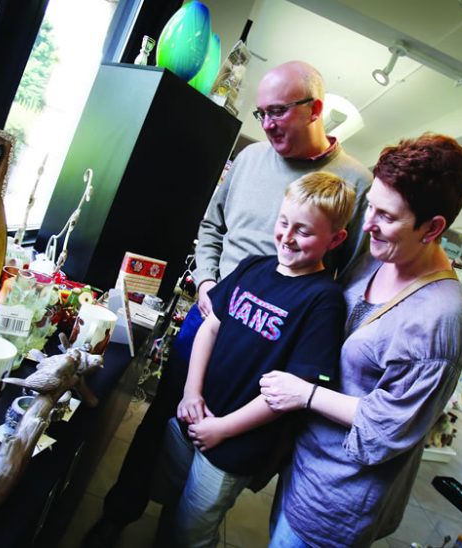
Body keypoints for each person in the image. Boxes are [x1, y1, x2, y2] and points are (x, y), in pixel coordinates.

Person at [84, 61, 371, 546]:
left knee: (229, 442)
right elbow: (211, 226)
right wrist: (207, 282)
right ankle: (120, 513)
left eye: (278, 111)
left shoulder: (354, 184)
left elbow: (349, 277)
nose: (268, 124)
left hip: (274, 336)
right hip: (215, 315)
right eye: (262, 113)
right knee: (165, 419)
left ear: (315, 109)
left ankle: (182, 524)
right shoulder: (250, 159)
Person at [259, 133, 462, 547]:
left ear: (432, 227)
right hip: (302, 465)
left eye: (387, 216)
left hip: (337, 497)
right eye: (370, 205)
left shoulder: (440, 318)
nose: (369, 222)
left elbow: (386, 429)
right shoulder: (377, 255)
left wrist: (305, 395)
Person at [163, 172, 353, 547]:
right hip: (193, 413)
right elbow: (211, 327)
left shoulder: (323, 300)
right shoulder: (253, 266)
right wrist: (190, 392)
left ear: (335, 239)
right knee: (171, 505)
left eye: (305, 231)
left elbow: (288, 393)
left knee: (194, 531)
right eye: (284, 222)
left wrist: (224, 429)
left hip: (235, 442)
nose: (288, 236)